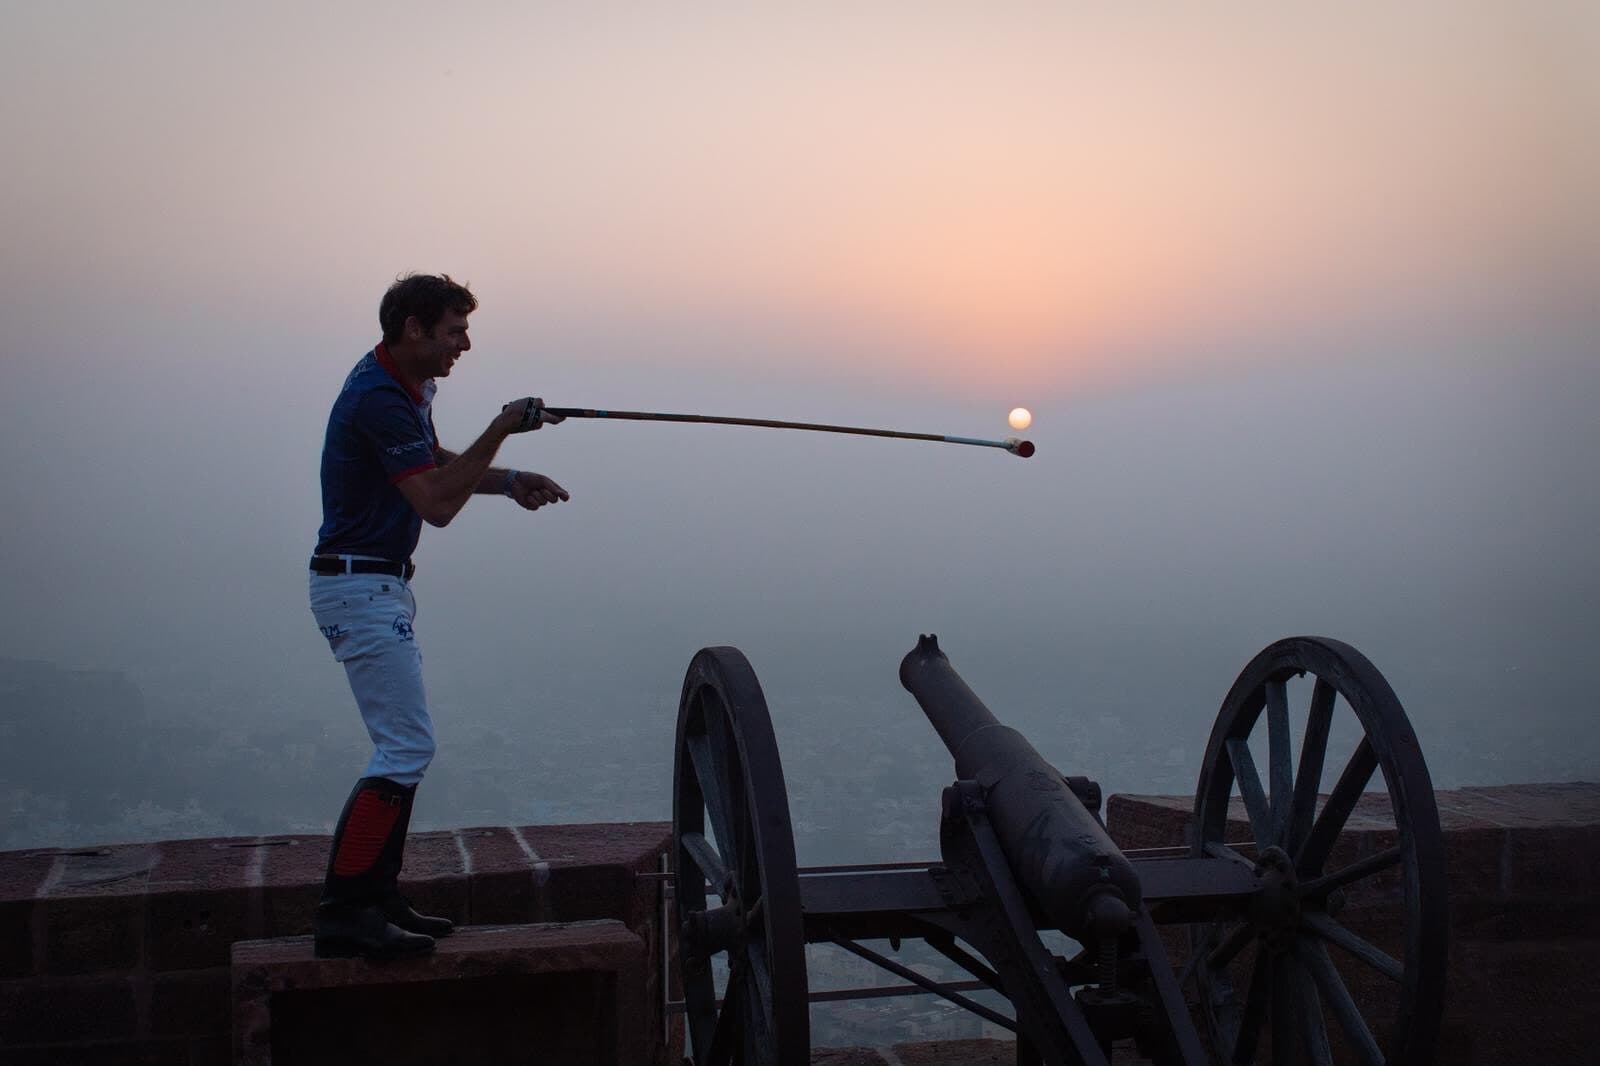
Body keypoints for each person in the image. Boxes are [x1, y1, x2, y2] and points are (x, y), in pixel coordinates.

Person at [308, 273, 567, 959]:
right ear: (414, 328)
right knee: (405, 748)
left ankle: (377, 898)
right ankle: (345, 912)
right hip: (358, 586)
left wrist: (507, 480)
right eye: (454, 330)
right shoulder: (378, 399)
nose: (465, 345)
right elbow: (436, 503)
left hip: (377, 585)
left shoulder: (405, 388)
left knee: (406, 748)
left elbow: (432, 466)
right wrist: (502, 430)